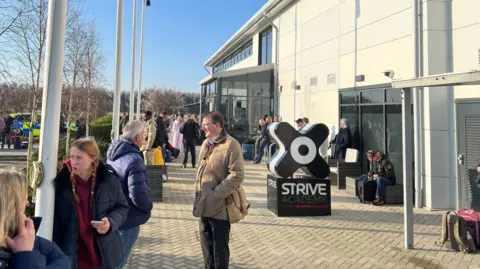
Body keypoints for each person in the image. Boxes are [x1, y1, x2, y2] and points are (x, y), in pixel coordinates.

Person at [53, 138, 129, 269]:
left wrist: (110, 222)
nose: (74, 162)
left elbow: (122, 207)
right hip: (72, 254)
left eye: (79, 158)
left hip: (103, 254)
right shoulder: (61, 183)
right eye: (72, 157)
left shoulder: (108, 180)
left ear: (92, 159)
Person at [193, 111, 244, 269]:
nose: (203, 128)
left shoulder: (231, 144)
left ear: (217, 125)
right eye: (203, 125)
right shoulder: (206, 143)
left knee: (219, 251)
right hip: (203, 204)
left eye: (206, 125)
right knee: (207, 249)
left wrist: (216, 195)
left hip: (219, 207)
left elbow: (237, 175)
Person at [0, 169, 71, 269]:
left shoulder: (23, 234)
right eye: (24, 198)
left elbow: (63, 260)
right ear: (13, 205)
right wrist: (25, 254)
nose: (27, 202)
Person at [106, 120, 153, 269]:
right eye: (144, 135)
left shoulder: (113, 153)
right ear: (138, 137)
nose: (145, 139)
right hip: (129, 218)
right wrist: (148, 206)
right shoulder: (134, 160)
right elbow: (138, 194)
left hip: (114, 215)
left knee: (112, 260)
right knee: (119, 261)